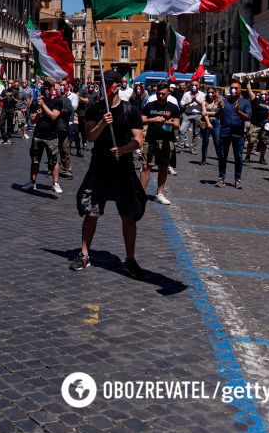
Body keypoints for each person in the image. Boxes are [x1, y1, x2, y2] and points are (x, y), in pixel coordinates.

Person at [72, 70, 146, 278]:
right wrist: (103, 123)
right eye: (103, 84)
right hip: (100, 167)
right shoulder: (95, 109)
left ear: (116, 87)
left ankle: (130, 259)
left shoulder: (130, 110)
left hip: (123, 168)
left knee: (128, 215)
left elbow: (138, 139)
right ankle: (85, 254)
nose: (106, 88)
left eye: (109, 84)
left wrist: (123, 149)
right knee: (92, 211)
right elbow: (89, 137)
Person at [140, 82, 180, 205]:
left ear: (168, 94)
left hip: (166, 140)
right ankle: (140, 194)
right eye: (158, 93)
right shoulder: (150, 106)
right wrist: (153, 119)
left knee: (163, 167)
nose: (160, 96)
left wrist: (171, 123)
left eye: (163, 94)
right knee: (146, 167)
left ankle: (160, 194)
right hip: (151, 139)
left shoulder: (173, 107)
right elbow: (141, 120)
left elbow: (177, 125)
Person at [24, 81, 63, 193]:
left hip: (51, 136)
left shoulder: (57, 101)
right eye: (44, 86)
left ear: (52, 89)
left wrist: (44, 106)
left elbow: (53, 116)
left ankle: (55, 183)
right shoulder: (38, 101)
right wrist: (38, 114)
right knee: (35, 160)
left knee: (54, 161)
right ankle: (33, 182)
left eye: (48, 87)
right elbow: (32, 119)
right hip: (38, 135)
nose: (46, 89)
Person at [215, 81, 250, 188]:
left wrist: (239, 111)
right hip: (225, 133)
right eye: (231, 88)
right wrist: (221, 108)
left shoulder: (245, 102)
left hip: (238, 134)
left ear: (239, 90)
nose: (233, 89)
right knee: (222, 156)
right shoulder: (224, 101)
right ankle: (221, 178)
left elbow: (248, 117)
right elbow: (217, 116)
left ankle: (237, 179)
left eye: (235, 88)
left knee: (238, 157)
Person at [244, 83, 269, 165]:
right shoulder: (256, 101)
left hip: (265, 125)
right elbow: (249, 91)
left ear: (268, 96)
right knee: (251, 141)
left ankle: (262, 158)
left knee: (264, 142)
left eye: (265, 94)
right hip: (255, 124)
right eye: (262, 94)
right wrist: (248, 83)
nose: (263, 95)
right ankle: (247, 156)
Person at [199, 87, 223, 166]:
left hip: (216, 122)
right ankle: (203, 159)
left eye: (212, 92)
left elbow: (219, 113)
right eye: (209, 92)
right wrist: (208, 123)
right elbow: (204, 113)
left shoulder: (218, 101)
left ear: (215, 93)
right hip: (206, 122)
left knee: (217, 141)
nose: (210, 93)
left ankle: (220, 159)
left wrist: (209, 113)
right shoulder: (204, 102)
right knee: (205, 142)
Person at [56, 82, 75, 178]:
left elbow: (69, 110)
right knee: (54, 150)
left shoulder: (67, 101)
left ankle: (67, 169)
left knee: (65, 150)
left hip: (64, 128)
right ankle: (53, 169)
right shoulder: (55, 100)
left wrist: (60, 111)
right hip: (55, 129)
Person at [178, 83, 203, 154]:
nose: (194, 86)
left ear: (199, 86)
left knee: (196, 133)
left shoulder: (202, 94)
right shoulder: (186, 94)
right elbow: (182, 104)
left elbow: (205, 105)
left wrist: (197, 101)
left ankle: (193, 149)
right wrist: (190, 102)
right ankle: (180, 147)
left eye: (196, 85)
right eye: (192, 85)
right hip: (187, 114)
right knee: (182, 130)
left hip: (198, 115)